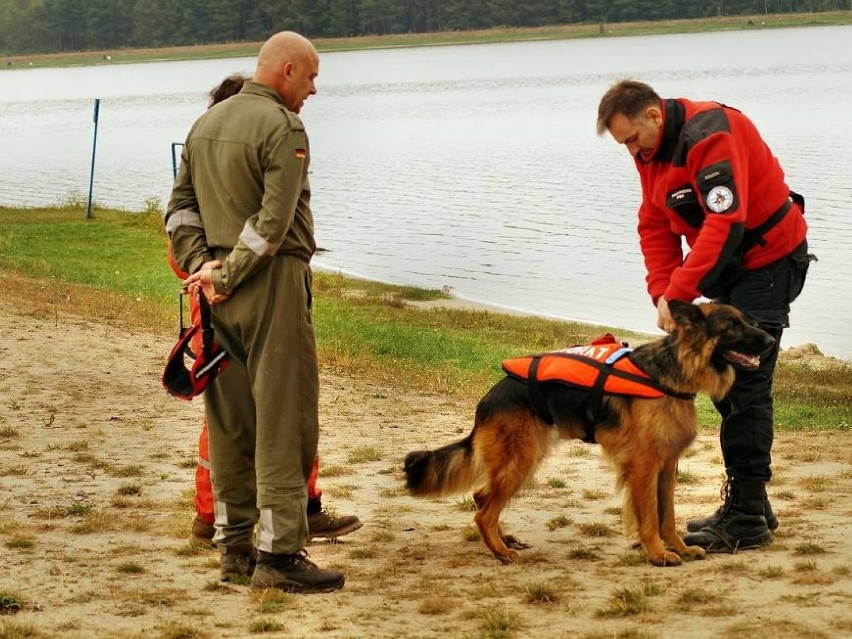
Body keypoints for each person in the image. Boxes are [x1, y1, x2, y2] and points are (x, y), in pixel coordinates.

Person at [596, 80, 815, 553]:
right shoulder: (651, 154)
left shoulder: (710, 135)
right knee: (720, 382)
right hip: (725, 269)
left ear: (654, 115)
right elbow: (654, 221)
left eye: (632, 138)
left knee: (745, 385)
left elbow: (723, 222)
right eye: (623, 145)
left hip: (768, 261)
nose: (631, 150)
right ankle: (753, 503)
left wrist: (679, 295)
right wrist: (663, 294)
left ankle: (746, 520)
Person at [165, 31, 346, 593]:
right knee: (285, 420)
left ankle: (235, 548)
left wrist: (203, 267)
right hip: (270, 285)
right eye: (311, 77)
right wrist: (232, 272)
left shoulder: (206, 123)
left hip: (213, 295)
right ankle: (281, 554)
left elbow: (179, 210)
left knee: (230, 424)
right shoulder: (283, 126)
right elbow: (273, 220)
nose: (314, 89)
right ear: (286, 70)